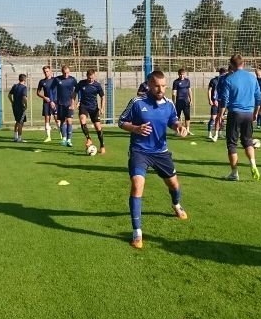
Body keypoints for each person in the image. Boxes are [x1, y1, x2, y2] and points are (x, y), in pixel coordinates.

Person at [118, 70, 189, 250]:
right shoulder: (137, 102)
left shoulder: (169, 104)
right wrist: (135, 128)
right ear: (149, 85)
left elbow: (173, 121)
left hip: (161, 152)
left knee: (174, 185)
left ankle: (176, 204)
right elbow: (121, 121)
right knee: (137, 185)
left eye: (163, 86)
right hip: (139, 151)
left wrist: (179, 127)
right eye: (157, 86)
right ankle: (137, 232)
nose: (161, 89)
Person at [218, 54, 261, 181]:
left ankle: (234, 173)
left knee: (232, 144)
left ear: (231, 65)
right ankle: (253, 164)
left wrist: (220, 115)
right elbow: (258, 97)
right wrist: (255, 112)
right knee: (248, 141)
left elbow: (224, 100)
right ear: (243, 63)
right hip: (248, 113)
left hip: (235, 113)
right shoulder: (252, 78)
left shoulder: (229, 79)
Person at [76, 69, 106, 153]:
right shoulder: (81, 83)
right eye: (89, 78)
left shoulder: (97, 85)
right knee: (82, 120)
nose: (90, 79)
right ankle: (88, 139)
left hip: (94, 107)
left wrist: (102, 108)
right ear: (86, 76)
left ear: (94, 76)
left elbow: (103, 97)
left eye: (92, 78)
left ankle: (102, 146)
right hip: (84, 106)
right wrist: (74, 102)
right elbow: (75, 92)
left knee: (98, 127)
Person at [49, 64, 78, 147]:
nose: (66, 74)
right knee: (62, 121)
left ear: (69, 72)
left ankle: (69, 140)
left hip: (70, 103)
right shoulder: (57, 79)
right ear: (62, 72)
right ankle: (64, 139)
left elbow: (77, 90)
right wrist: (52, 101)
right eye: (65, 73)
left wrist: (77, 101)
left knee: (69, 120)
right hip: (60, 104)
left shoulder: (72, 80)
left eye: (67, 73)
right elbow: (51, 89)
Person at [36, 65, 61, 142]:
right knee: (47, 119)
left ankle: (62, 135)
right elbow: (38, 93)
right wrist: (44, 97)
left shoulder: (55, 80)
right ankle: (48, 137)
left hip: (55, 102)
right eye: (44, 72)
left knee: (57, 119)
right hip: (46, 103)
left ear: (50, 71)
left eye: (47, 71)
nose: (46, 73)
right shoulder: (42, 81)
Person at [207, 67, 227, 141]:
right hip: (215, 101)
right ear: (220, 73)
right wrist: (211, 100)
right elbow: (210, 90)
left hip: (223, 102)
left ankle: (219, 133)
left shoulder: (226, 81)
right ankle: (209, 133)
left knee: (221, 117)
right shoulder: (214, 80)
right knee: (213, 117)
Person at [172, 68, 193, 135]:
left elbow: (189, 91)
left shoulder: (187, 81)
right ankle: (177, 130)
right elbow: (174, 93)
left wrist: (191, 100)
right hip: (178, 102)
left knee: (187, 116)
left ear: (185, 74)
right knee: (177, 117)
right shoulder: (176, 82)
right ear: (178, 74)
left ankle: (188, 130)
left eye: (183, 74)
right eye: (180, 74)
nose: (182, 76)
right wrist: (173, 102)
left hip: (186, 102)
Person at [8, 73, 29, 142]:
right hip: (21, 107)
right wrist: (26, 105)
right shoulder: (24, 87)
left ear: (19, 79)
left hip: (14, 106)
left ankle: (15, 137)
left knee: (17, 121)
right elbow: (24, 97)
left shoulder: (15, 86)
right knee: (20, 122)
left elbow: (9, 95)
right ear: (25, 80)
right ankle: (19, 138)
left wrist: (12, 102)